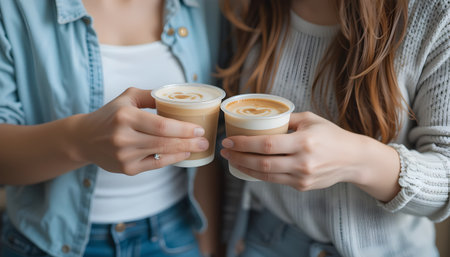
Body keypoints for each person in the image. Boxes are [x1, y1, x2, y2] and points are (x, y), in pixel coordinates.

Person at [217, 0, 450, 256]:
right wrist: (228, 237)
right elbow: (230, 148)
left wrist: (356, 159)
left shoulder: (435, 13)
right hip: (265, 240)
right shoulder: (246, 9)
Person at [0, 0, 222, 256]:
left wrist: (208, 246)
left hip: (176, 233)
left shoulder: (208, 6)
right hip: (43, 243)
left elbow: (207, 148)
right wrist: (81, 141)